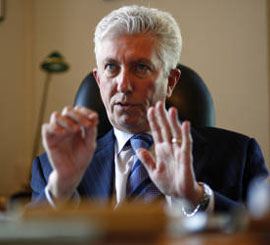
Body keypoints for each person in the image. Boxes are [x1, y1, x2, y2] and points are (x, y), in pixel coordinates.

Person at [30, 5, 268, 214]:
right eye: (111, 67)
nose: (123, 85)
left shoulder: (238, 156)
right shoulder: (53, 169)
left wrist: (194, 196)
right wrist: (61, 189)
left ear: (171, 81)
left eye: (141, 67)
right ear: (99, 79)